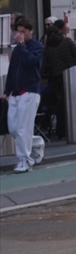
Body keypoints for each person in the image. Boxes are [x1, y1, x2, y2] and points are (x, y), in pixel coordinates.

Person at [3, 15, 44, 173]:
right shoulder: (17, 50)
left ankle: (24, 160)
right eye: (18, 32)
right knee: (13, 128)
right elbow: (12, 70)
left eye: (23, 32)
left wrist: (21, 46)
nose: (20, 35)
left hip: (30, 91)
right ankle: (36, 143)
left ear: (30, 31)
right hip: (16, 92)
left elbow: (30, 61)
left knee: (22, 128)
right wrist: (7, 91)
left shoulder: (37, 47)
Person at [43, 18, 76, 140]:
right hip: (72, 74)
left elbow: (44, 68)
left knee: (60, 104)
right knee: (75, 102)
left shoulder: (47, 48)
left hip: (57, 78)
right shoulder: (67, 41)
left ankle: (61, 131)